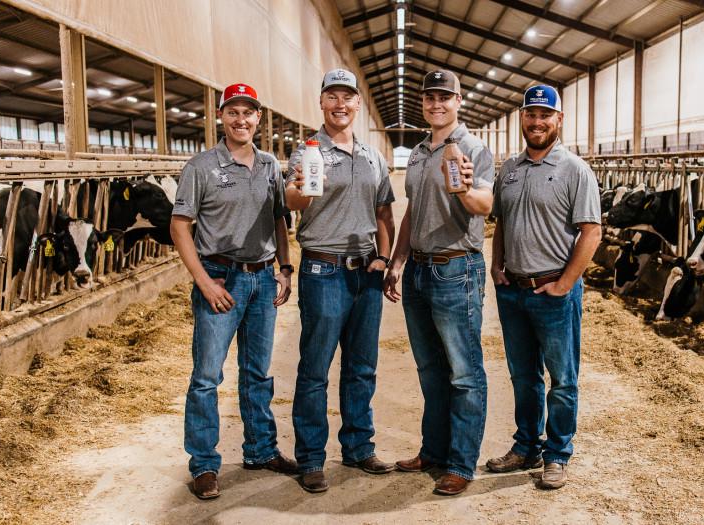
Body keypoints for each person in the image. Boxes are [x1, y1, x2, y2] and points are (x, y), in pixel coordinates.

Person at [170, 83, 297, 500]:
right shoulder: (202, 166)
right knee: (207, 376)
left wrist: (284, 267)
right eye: (233, 112)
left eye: (249, 112)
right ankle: (204, 464)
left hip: (262, 280)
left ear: (259, 118)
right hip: (220, 279)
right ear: (221, 117)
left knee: (258, 373)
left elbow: (280, 219)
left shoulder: (270, 165)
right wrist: (203, 283)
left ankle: (260, 450)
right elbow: (179, 227)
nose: (241, 120)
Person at [384, 70, 494, 496]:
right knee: (431, 370)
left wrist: (465, 189)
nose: (436, 104)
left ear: (459, 100)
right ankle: (433, 449)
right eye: (430, 98)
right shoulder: (417, 154)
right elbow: (414, 209)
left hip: (455, 269)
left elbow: (485, 203)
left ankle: (462, 463)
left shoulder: (473, 148)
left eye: (444, 98)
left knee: (464, 372)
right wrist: (397, 259)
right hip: (418, 271)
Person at [286, 69, 396, 493]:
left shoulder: (372, 157)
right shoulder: (306, 152)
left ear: (357, 105)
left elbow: (384, 213)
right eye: (332, 96)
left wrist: (384, 257)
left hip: (366, 271)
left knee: (361, 368)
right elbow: (291, 200)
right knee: (315, 369)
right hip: (323, 270)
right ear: (321, 103)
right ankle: (311, 458)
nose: (340, 104)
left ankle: (358, 447)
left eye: (347, 97)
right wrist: (302, 190)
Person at [486, 84, 601, 490]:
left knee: (562, 378)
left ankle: (556, 455)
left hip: (553, 291)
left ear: (559, 120)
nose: (537, 122)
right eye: (530, 114)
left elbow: (591, 232)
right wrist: (497, 266)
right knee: (524, 376)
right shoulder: (510, 170)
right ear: (522, 118)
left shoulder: (574, 169)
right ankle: (525, 446)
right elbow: (500, 223)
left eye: (544, 115)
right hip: (513, 291)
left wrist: (565, 284)